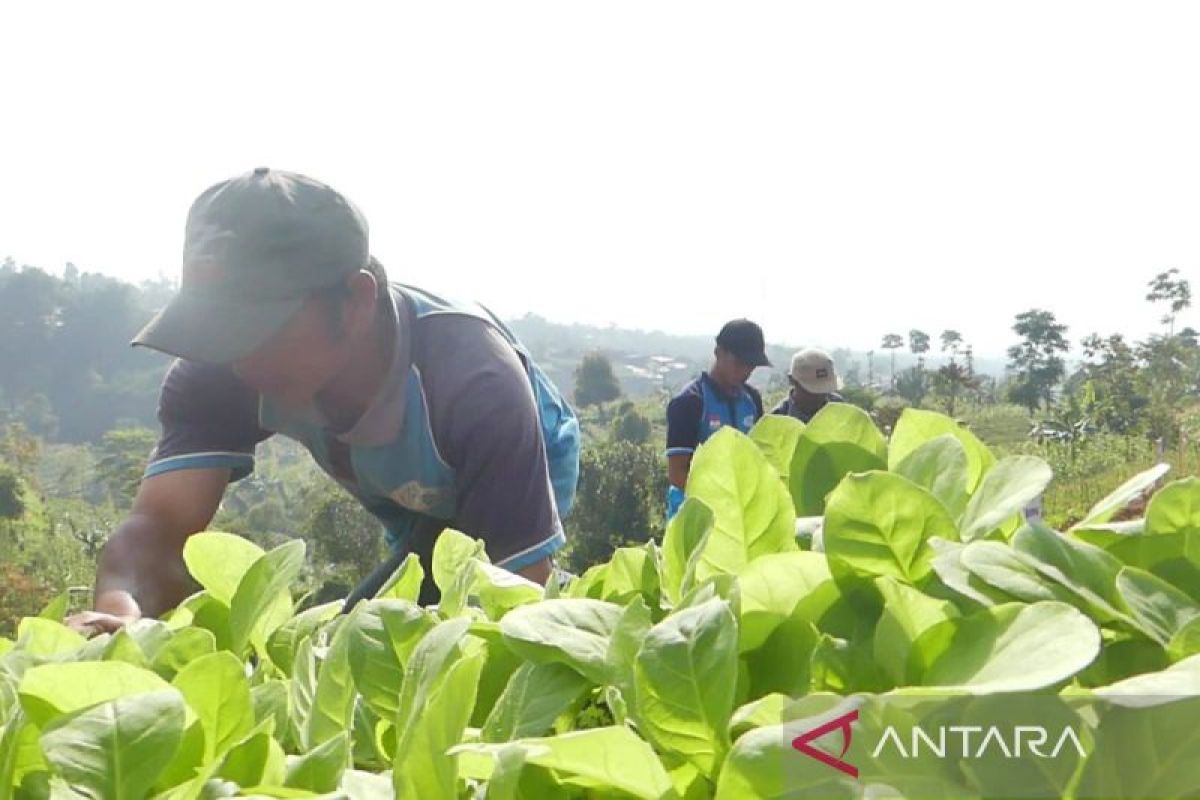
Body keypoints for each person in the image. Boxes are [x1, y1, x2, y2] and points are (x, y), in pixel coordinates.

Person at [67, 168, 579, 635]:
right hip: (399, 479)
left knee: (463, 615)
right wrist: (120, 617)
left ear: (355, 301)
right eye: (217, 328)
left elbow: (517, 590)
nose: (238, 358)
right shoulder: (219, 365)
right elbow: (159, 527)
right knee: (384, 619)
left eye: (257, 327)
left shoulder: (476, 384)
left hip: (516, 446)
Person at [664, 319, 769, 518]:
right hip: (694, 518)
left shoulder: (752, 400)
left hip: (740, 514)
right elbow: (677, 473)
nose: (746, 371)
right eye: (739, 363)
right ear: (718, 353)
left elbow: (760, 459)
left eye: (751, 365)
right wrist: (722, 502)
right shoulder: (690, 402)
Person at [772, 348, 843, 423]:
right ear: (792, 381)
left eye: (824, 390)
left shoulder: (839, 408)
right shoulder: (778, 418)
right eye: (813, 391)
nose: (819, 397)